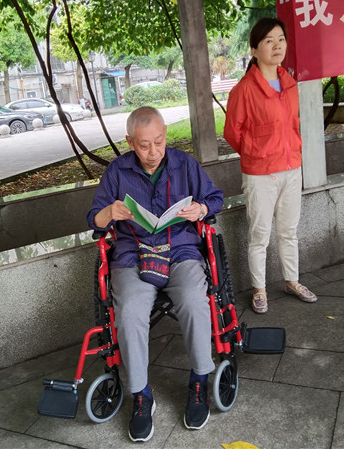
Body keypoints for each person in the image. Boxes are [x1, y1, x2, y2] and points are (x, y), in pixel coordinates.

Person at [87, 106, 224, 442]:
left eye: (159, 142)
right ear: (130, 142)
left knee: (194, 300)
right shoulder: (118, 171)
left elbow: (215, 198)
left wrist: (201, 209)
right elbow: (94, 220)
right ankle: (141, 395)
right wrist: (109, 212)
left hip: (180, 250)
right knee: (130, 312)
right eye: (144, 145)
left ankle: (199, 381)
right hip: (133, 255)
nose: (153, 152)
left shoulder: (184, 164)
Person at [223, 17, 317, 314]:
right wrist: (257, 152)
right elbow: (232, 132)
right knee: (260, 235)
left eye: (281, 39)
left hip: (291, 168)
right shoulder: (244, 90)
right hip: (261, 174)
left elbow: (293, 124)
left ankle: (292, 281)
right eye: (268, 41)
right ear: (254, 49)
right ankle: (260, 290)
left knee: (289, 231)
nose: (277, 46)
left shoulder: (289, 83)